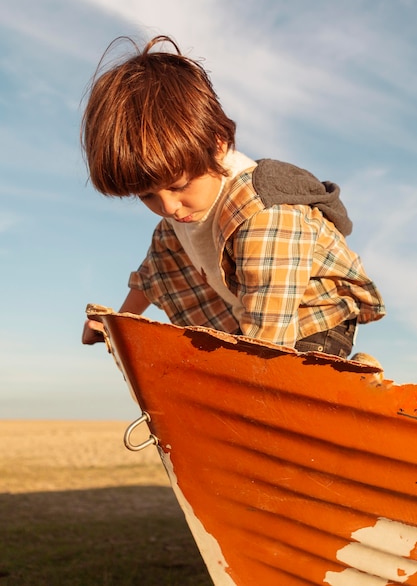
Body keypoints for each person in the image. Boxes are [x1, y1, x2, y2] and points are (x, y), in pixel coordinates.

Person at [81, 34, 386, 360]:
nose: (167, 206)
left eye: (179, 186)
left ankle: (346, 382)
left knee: (279, 388)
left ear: (218, 144)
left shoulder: (263, 217)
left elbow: (270, 334)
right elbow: (154, 272)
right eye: (146, 196)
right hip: (253, 315)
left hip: (313, 314)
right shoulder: (179, 217)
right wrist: (116, 324)